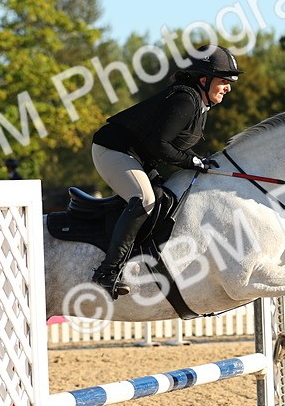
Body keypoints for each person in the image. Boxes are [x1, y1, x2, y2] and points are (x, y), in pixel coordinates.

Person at [87, 45, 240, 297]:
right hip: (112, 150)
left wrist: (195, 160)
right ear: (204, 79)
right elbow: (158, 144)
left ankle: (143, 257)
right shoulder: (186, 99)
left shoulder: (199, 103)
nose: (228, 88)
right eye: (224, 81)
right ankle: (107, 271)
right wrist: (193, 161)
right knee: (143, 199)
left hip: (136, 157)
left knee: (166, 198)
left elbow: (168, 146)